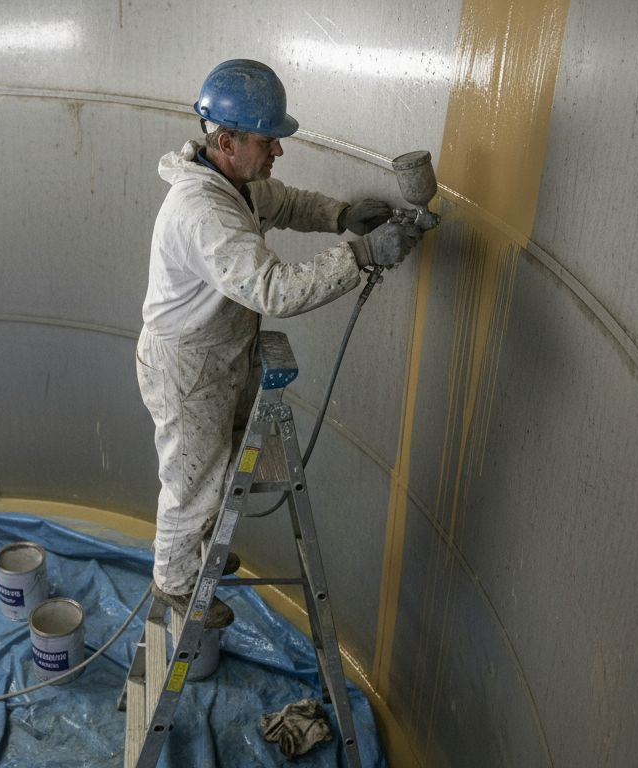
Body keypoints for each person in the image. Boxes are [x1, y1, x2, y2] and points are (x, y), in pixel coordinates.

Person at [136, 59, 421, 627]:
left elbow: (284, 203)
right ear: (226, 139)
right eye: (269, 141)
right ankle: (175, 582)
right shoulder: (203, 213)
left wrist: (342, 215)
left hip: (219, 353)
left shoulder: (234, 183)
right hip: (189, 369)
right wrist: (360, 256)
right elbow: (274, 290)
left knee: (217, 467)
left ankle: (197, 558)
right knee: (192, 478)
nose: (278, 152)